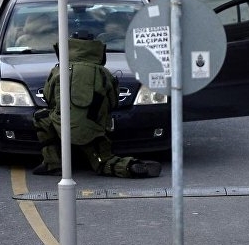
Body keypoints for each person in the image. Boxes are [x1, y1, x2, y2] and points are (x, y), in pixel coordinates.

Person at [32, 34, 161, 178]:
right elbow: (113, 102)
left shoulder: (59, 70)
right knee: (103, 161)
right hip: (94, 131)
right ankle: (128, 167)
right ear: (95, 49)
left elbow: (48, 98)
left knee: (41, 117)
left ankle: (52, 164)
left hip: (62, 127)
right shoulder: (103, 73)